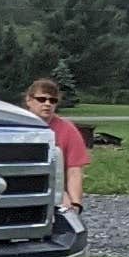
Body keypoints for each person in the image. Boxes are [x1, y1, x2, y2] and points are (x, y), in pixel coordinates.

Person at [23, 74, 90, 214]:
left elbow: (74, 170)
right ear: (29, 100)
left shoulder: (68, 129)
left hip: (56, 192)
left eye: (52, 101)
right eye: (41, 99)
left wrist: (75, 203)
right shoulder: (16, 128)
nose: (47, 104)